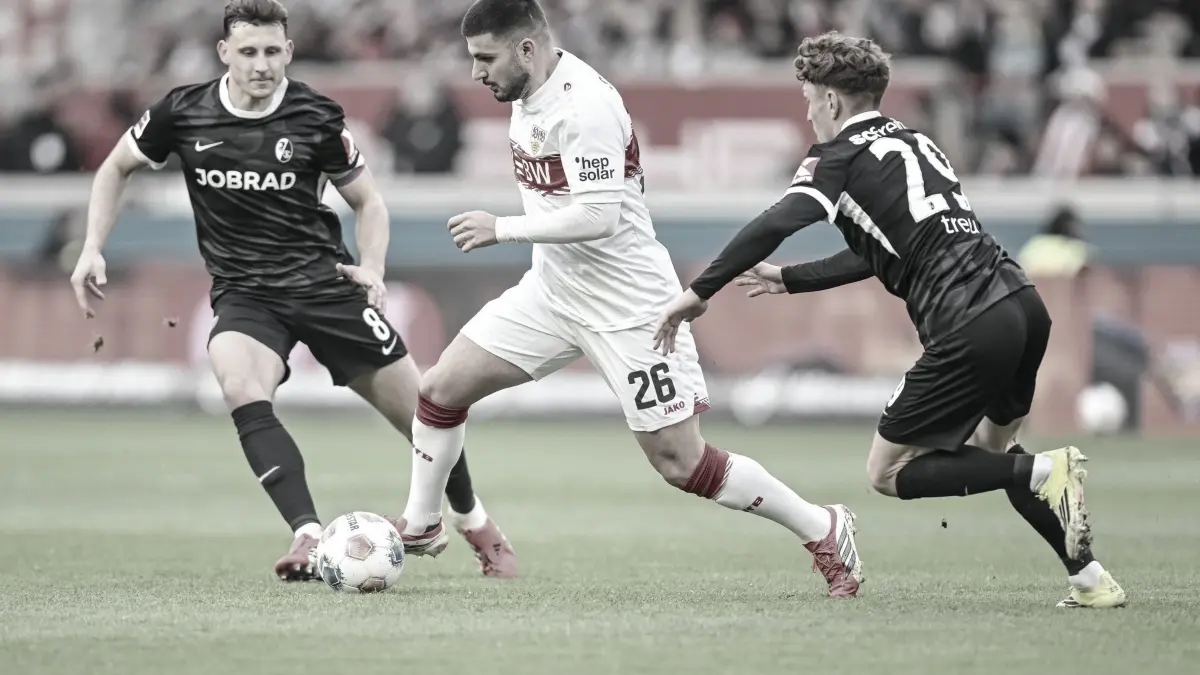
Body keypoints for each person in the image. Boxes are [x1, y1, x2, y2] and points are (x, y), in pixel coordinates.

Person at [389, 0, 863, 599]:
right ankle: (423, 522)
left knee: (682, 464)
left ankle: (823, 526)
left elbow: (597, 214)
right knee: (439, 389)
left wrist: (502, 228)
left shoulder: (584, 106)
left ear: (527, 49)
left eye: (485, 58)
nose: (477, 72)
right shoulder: (524, 94)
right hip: (554, 292)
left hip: (630, 306)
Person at [653, 32, 1126, 609]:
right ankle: (1090, 578)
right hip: (1021, 306)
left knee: (889, 469)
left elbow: (777, 221)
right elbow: (885, 250)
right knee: (1001, 456)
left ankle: (1046, 473)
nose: (809, 114)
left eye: (808, 101)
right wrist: (793, 278)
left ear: (830, 101)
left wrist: (700, 290)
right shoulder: (916, 141)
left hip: (967, 321)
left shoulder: (840, 157)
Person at [67, 0, 516, 581]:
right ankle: (306, 533)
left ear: (289, 52)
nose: (261, 64)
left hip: (327, 289)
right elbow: (114, 168)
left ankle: (477, 523)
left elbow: (368, 202)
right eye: (248, 52)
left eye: (272, 51)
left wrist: (374, 267)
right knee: (238, 383)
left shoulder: (315, 116)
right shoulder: (183, 112)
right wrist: (90, 246)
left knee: (425, 415)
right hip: (245, 296)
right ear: (224, 53)